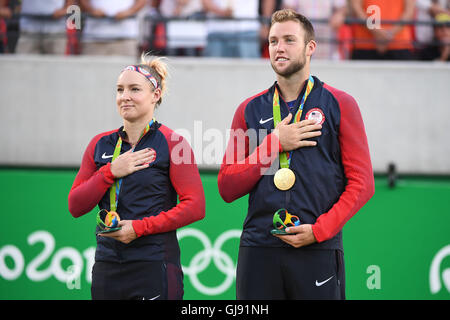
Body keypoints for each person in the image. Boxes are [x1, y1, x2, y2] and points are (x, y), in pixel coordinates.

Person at [218, 9, 374, 299]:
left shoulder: (340, 103)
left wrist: (320, 230)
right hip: (259, 249)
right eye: (273, 41)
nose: (279, 47)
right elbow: (227, 186)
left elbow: (363, 183)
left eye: (289, 40)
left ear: (310, 47)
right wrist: (273, 144)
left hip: (317, 246)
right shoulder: (248, 109)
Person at [68, 53, 205, 300]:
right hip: (107, 265)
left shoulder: (174, 143)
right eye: (120, 89)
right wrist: (110, 171)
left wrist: (139, 228)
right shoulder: (99, 144)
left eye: (134, 89)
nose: (125, 96)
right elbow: (76, 206)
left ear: (156, 94)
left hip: (153, 265)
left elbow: (195, 207)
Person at [349, 0, 416, 60]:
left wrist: (383, 34)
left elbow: (409, 11)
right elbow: (356, 8)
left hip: (399, 44)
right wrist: (386, 34)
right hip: (365, 44)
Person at [282, 0, 348, 60]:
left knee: (326, 65)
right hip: (302, 33)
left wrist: (339, 14)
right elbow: (288, 8)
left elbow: (342, 7)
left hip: (326, 36)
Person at [80, 0, 146, 56]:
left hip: (125, 37)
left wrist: (129, 11)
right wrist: (92, 10)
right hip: (94, 38)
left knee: (126, 69)